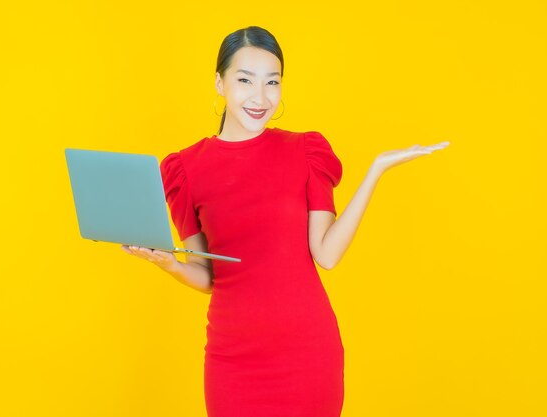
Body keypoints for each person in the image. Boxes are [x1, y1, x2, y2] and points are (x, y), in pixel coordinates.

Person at [121, 25, 448, 417]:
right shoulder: (185, 169)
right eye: (245, 80)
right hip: (232, 360)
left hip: (307, 355)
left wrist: (375, 171)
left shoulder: (305, 151)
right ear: (219, 83)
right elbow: (208, 276)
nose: (260, 97)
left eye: (272, 83)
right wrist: (168, 263)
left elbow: (325, 254)